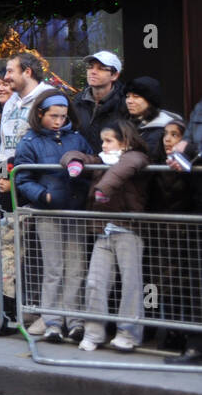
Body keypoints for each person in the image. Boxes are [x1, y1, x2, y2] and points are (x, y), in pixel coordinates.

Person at [60, 122, 152, 352]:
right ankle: (94, 333)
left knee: (131, 285)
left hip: (128, 231)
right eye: (103, 140)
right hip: (103, 231)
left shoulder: (137, 157)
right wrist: (73, 162)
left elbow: (125, 167)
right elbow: (77, 155)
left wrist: (103, 189)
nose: (104, 145)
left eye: (109, 141)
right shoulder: (102, 159)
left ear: (126, 142)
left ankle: (128, 333)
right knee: (95, 283)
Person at [12, 94, 94, 344]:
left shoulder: (77, 138)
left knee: (77, 268)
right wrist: (43, 197)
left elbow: (92, 165)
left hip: (74, 210)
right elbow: (22, 178)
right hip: (48, 213)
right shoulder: (29, 141)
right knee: (54, 269)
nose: (58, 121)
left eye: (62, 116)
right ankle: (53, 322)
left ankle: (75, 321)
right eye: (53, 116)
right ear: (40, 114)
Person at [0, 52, 56, 201]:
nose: (6, 77)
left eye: (10, 71)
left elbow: (53, 142)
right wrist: (1, 175)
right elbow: (4, 144)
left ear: (27, 72)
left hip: (38, 181)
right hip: (10, 177)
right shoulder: (11, 101)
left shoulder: (49, 97)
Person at [71, 50, 129, 150]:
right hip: (81, 163)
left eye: (101, 68)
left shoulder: (126, 104)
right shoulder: (77, 102)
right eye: (90, 67)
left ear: (114, 75)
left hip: (115, 163)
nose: (93, 72)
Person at [123, 76, 177, 164]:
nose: (129, 101)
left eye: (136, 96)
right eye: (127, 96)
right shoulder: (124, 123)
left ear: (150, 101)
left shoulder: (166, 127)